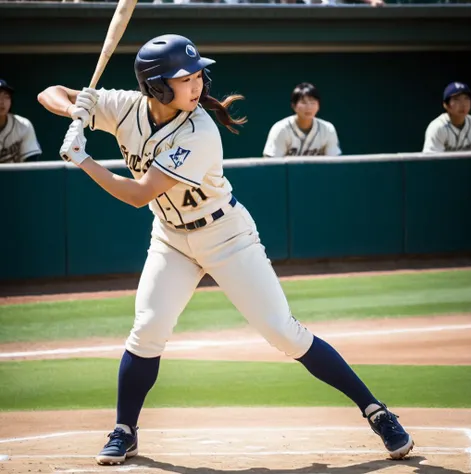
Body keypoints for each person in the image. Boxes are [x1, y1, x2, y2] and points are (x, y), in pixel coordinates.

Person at [38, 34, 413, 466]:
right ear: (156, 86)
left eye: (199, 75)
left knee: (283, 332)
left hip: (226, 237)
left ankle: (377, 411)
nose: (197, 85)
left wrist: (84, 160)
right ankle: (125, 429)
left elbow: (140, 194)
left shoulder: (200, 130)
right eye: (185, 78)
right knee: (148, 328)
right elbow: (51, 93)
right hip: (171, 238)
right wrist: (76, 109)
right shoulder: (124, 105)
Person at [263, 82, 341, 157]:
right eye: (303, 102)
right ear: (294, 106)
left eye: (313, 103)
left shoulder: (327, 129)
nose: (309, 107)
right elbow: (271, 164)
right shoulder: (281, 129)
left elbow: (333, 164)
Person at [423, 81, 471, 153]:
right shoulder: (437, 127)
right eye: (456, 99)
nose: (463, 104)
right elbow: (431, 161)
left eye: (466, 98)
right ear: (446, 105)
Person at [0, 79, 42, 164]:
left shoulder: (23, 125)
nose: (2, 102)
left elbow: (31, 162)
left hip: (15, 176)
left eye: (6, 97)